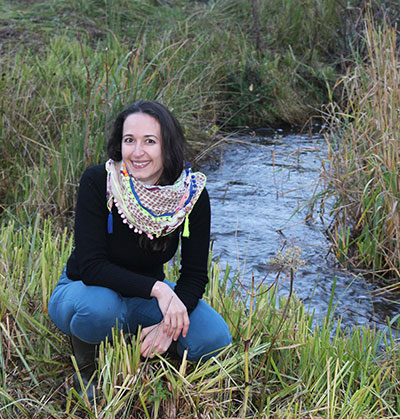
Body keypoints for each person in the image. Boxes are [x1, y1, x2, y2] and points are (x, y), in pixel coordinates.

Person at [48, 100, 232, 400]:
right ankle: (87, 372)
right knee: (100, 308)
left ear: (167, 145)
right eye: (129, 140)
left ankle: (140, 338)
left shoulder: (190, 197)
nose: (137, 152)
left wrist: (168, 325)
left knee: (214, 337)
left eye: (150, 141)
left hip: (141, 297)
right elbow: (91, 266)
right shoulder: (99, 182)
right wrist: (159, 290)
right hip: (85, 290)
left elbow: (195, 275)